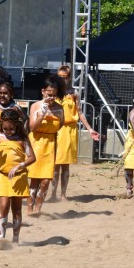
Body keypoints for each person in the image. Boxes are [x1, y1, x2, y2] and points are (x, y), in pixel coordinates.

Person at [50, 65, 100, 201]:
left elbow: (79, 112)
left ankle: (63, 194)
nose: (62, 80)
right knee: (54, 164)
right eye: (60, 77)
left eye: (65, 77)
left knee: (65, 164)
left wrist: (89, 129)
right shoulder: (53, 92)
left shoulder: (74, 93)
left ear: (70, 77)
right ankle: (53, 194)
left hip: (69, 129)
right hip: (55, 129)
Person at [0, 109, 36, 242]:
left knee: (17, 209)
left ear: (17, 125)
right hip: (2, 175)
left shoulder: (22, 138)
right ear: (1, 124)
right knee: (3, 205)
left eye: (11, 129)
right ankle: (2, 238)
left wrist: (19, 166)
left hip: (18, 176)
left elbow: (32, 157)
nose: (8, 131)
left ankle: (15, 238)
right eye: (5, 128)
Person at [27, 75, 64, 216]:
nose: (51, 97)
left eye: (54, 95)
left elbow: (60, 124)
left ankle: (38, 208)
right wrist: (42, 114)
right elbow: (32, 127)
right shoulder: (35, 106)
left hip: (50, 145)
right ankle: (29, 208)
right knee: (34, 179)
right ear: (43, 91)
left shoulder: (60, 109)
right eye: (49, 94)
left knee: (46, 180)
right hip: (36, 144)